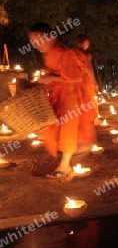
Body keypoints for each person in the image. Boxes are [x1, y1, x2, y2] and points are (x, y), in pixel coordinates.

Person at [29, 23, 96, 178]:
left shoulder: (63, 52)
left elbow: (75, 78)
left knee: (68, 129)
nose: (36, 45)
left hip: (69, 96)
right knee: (55, 127)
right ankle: (73, 153)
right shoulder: (52, 51)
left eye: (39, 40)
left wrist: (49, 77)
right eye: (33, 42)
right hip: (58, 94)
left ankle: (65, 165)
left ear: (51, 37)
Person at [72, 34, 100, 125]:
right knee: (90, 97)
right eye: (88, 43)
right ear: (84, 43)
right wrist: (94, 81)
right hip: (85, 78)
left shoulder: (72, 52)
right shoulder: (86, 54)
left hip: (75, 79)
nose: (88, 45)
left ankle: (80, 119)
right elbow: (88, 68)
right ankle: (93, 118)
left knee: (79, 98)